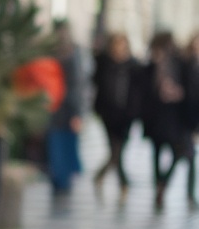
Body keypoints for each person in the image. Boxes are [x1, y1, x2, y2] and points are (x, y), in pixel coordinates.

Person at [92, 32, 141, 198]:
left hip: (126, 115)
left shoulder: (133, 65)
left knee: (118, 151)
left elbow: (138, 92)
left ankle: (102, 175)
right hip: (109, 114)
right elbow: (97, 86)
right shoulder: (104, 63)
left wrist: (135, 111)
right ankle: (123, 183)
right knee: (115, 150)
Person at [140, 31, 185, 210]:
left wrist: (177, 93)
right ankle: (158, 187)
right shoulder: (150, 65)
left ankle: (163, 183)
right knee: (156, 152)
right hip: (155, 115)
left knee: (178, 151)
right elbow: (145, 90)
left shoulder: (177, 62)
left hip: (172, 116)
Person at [45, 22, 84, 194]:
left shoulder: (70, 55)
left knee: (62, 145)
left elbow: (76, 86)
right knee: (60, 145)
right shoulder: (69, 55)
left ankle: (61, 179)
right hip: (58, 108)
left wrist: (76, 112)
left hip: (60, 107)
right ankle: (61, 179)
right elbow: (77, 86)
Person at [180, 32, 199, 210]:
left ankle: (190, 194)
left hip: (194, 118)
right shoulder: (185, 64)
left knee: (190, 155)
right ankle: (189, 194)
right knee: (189, 155)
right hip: (186, 118)